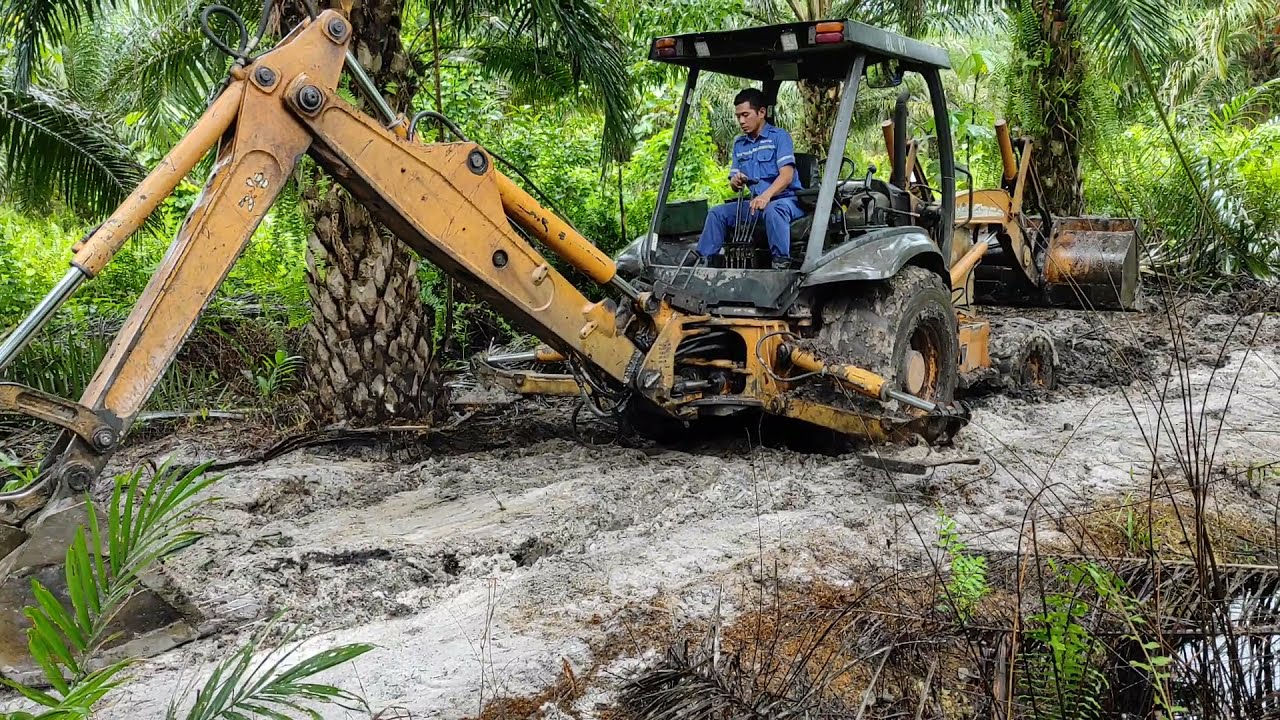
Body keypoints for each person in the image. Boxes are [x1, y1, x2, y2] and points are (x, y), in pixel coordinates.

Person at [695, 88, 806, 269]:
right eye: (738, 116)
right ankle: (704, 263)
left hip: (787, 201)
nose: (741, 121)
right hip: (756, 205)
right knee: (717, 213)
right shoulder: (740, 144)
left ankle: (780, 264)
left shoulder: (779, 137)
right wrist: (735, 181)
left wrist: (766, 196)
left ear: (761, 112)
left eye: (746, 115)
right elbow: (734, 183)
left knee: (773, 210)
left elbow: (786, 177)